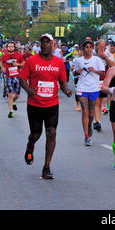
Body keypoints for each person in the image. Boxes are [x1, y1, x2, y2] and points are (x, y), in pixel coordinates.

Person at [19, 34, 72, 179]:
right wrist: (29, 90)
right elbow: (22, 79)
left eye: (47, 42)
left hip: (52, 104)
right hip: (34, 104)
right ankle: (30, 145)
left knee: (51, 133)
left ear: (53, 45)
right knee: (36, 134)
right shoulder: (31, 60)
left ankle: (46, 167)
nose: (44, 44)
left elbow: (62, 82)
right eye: (42, 42)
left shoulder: (59, 62)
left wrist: (66, 90)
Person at [74, 40, 106, 145]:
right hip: (82, 88)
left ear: (92, 48)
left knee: (92, 112)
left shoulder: (97, 60)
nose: (88, 49)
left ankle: (89, 125)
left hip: (93, 88)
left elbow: (103, 72)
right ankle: (86, 136)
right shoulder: (79, 60)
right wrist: (76, 71)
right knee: (85, 111)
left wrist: (94, 70)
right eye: (86, 47)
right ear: (83, 49)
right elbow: (74, 72)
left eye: (90, 47)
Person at [93, 40, 115, 132]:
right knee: (97, 101)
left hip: (104, 80)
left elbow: (113, 65)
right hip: (94, 80)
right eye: (100, 47)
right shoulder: (92, 53)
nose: (102, 48)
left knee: (102, 100)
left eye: (104, 47)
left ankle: (97, 120)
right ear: (96, 46)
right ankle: (97, 121)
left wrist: (105, 57)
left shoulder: (108, 54)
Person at [0, 41, 25, 118]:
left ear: (14, 47)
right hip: (8, 76)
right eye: (9, 46)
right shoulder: (5, 56)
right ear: (7, 48)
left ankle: (14, 102)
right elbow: (1, 62)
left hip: (17, 76)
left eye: (12, 46)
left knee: (17, 95)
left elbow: (23, 62)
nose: (10, 48)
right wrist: (2, 68)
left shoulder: (18, 55)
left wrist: (18, 64)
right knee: (10, 94)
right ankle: (11, 112)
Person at [71, 46, 83, 111]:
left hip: (84, 77)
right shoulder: (76, 59)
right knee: (78, 90)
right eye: (80, 51)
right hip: (77, 77)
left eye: (82, 51)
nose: (81, 52)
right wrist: (74, 69)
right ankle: (77, 104)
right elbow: (72, 67)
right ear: (78, 51)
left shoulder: (86, 58)